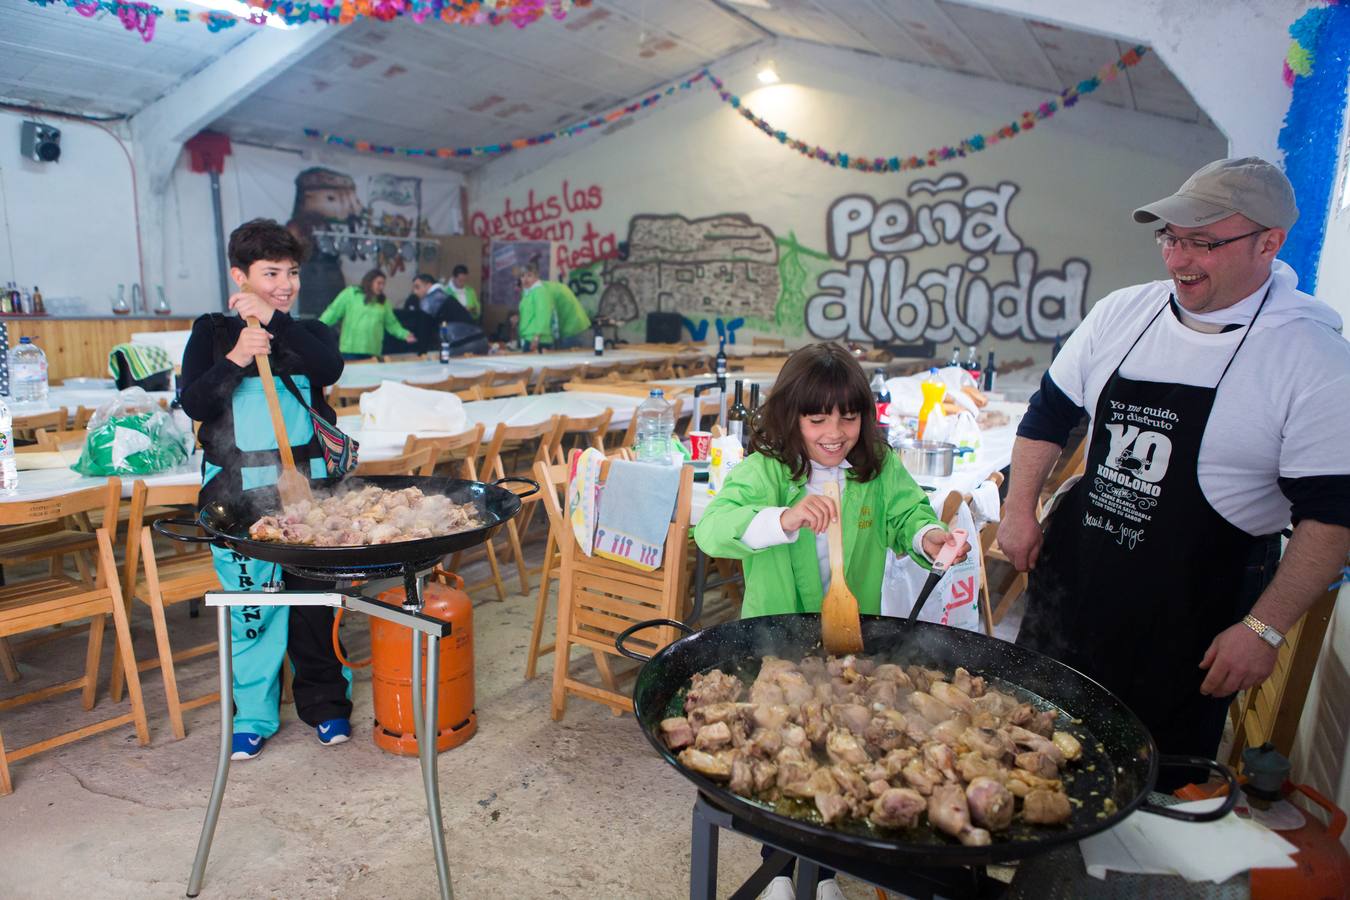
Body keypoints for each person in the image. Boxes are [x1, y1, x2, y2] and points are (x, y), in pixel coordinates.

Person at [997, 157, 1350, 778]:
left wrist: (1264, 629)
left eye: (1204, 243)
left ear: (1269, 243)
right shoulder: (1123, 314)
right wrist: (1018, 509)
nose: (1179, 259)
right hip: (1075, 584)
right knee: (1024, 751)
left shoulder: (1313, 360)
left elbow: (1333, 517)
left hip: (1191, 619)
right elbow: (1048, 416)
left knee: (1148, 786)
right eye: (1171, 238)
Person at [694, 342, 968, 900]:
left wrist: (928, 537)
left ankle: (818, 872)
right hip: (775, 641)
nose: (834, 432)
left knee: (836, 748)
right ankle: (779, 867)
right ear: (790, 416)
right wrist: (784, 517)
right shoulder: (766, 470)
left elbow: (907, 514)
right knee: (780, 747)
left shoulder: (878, 467)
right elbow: (714, 527)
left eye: (848, 415)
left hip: (848, 641)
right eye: (817, 418)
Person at [179, 218, 354, 760]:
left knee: (314, 605)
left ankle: (326, 706)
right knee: (253, 606)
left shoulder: (309, 333)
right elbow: (195, 404)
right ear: (240, 275)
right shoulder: (211, 332)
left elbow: (331, 367)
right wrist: (235, 357)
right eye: (270, 272)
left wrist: (276, 322)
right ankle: (252, 715)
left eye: (292, 272)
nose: (285, 282)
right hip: (235, 493)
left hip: (307, 491)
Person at [318, 268, 417, 360]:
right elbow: (333, 312)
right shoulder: (351, 294)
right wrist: (317, 327)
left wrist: (405, 334)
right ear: (369, 282)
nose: (381, 287)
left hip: (372, 350)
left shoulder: (383, 302)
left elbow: (392, 323)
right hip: (350, 349)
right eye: (379, 283)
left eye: (383, 284)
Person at [517, 261, 591, 351]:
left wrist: (537, 336)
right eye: (522, 276)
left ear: (536, 277)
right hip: (563, 324)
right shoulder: (532, 291)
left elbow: (543, 314)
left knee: (568, 359)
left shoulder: (540, 291)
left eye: (529, 275)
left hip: (572, 324)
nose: (525, 280)